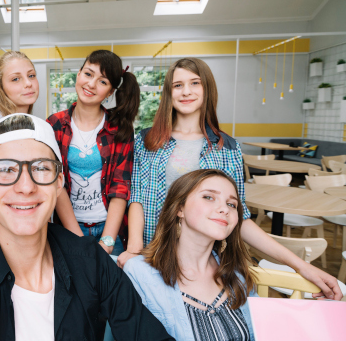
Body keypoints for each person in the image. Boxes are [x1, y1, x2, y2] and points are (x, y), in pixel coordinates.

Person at [0, 114, 174, 341]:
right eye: (6, 170)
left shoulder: (91, 262)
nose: (25, 187)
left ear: (59, 182)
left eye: (41, 168)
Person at [117, 57, 342, 301]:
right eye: (177, 85)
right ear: (169, 93)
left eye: (195, 83)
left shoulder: (227, 148)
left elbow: (239, 217)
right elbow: (137, 198)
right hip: (154, 256)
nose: (186, 91)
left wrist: (301, 265)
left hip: (205, 262)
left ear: (207, 89)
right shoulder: (147, 141)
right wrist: (135, 251)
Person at [124, 169, 257, 341]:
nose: (225, 209)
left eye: (232, 204)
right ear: (180, 208)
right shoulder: (139, 273)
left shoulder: (237, 274)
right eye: (208, 197)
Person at [0, 51, 81, 235]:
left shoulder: (36, 125)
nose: (28, 83)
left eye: (31, 75)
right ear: (0, 86)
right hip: (0, 235)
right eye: (16, 79)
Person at [47, 50, 140, 255]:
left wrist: (107, 241)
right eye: (88, 74)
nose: (91, 84)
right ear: (78, 74)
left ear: (110, 91)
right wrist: (77, 239)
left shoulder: (120, 130)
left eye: (102, 81)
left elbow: (120, 186)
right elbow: (56, 183)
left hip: (111, 229)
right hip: (68, 229)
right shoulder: (54, 125)